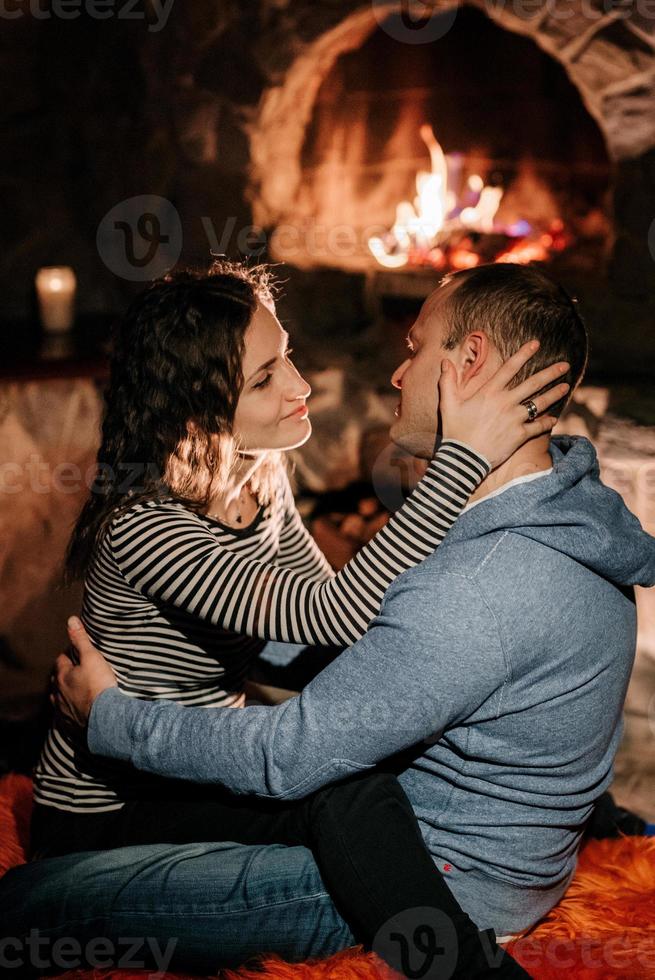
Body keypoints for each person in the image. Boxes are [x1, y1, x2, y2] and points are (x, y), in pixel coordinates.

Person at [26, 260, 567, 978]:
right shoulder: (147, 526)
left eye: (285, 355)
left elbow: (330, 632)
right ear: (195, 415)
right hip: (114, 808)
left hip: (192, 764)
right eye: (263, 378)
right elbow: (331, 609)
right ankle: (464, 969)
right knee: (345, 788)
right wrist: (460, 462)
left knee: (363, 757)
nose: (299, 386)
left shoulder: (259, 472)